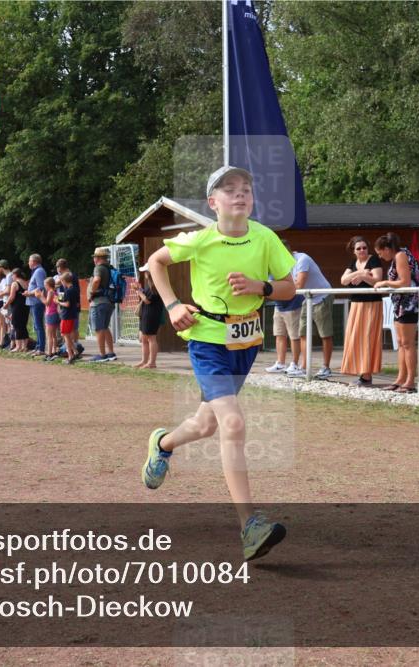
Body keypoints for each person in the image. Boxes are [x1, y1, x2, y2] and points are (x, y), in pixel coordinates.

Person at [142, 165, 296, 561]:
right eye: (229, 190)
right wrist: (173, 305)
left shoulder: (264, 238)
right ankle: (250, 525)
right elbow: (155, 263)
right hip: (207, 342)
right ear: (213, 203)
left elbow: (290, 286)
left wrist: (260, 287)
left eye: (246, 188)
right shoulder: (199, 239)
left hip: (244, 342)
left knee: (206, 423)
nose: (240, 195)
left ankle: (162, 445)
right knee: (233, 422)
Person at [373, 232, 419, 393]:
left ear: (387, 248)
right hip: (400, 304)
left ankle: (410, 380)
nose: (380, 256)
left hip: (408, 304)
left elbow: (405, 282)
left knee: (408, 344)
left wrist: (385, 282)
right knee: (401, 343)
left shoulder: (401, 255)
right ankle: (401, 378)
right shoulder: (398, 256)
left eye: (380, 253)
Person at [339, 235, 384, 387]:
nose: (362, 250)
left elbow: (377, 281)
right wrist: (361, 273)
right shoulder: (353, 262)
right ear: (354, 251)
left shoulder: (374, 261)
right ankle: (360, 372)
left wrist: (364, 277)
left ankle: (366, 375)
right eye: (359, 248)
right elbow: (343, 281)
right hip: (356, 305)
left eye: (364, 247)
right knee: (355, 338)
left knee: (367, 338)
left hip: (371, 305)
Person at [289, 246, 334, 379]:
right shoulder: (286, 263)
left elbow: (299, 285)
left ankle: (326, 368)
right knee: (303, 333)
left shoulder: (302, 259)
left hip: (322, 296)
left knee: (325, 334)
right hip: (308, 298)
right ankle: (304, 367)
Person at [88, 247, 117, 362]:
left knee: (99, 328)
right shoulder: (110, 268)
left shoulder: (99, 268)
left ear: (98, 258)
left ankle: (102, 354)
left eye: (95, 257)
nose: (94, 259)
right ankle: (111, 352)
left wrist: (92, 292)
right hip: (109, 301)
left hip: (99, 302)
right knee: (105, 327)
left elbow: (96, 280)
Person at [264, 288, 302, 375]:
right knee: (279, 334)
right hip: (278, 306)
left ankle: (295, 364)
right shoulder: (270, 275)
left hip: (294, 306)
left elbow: (298, 285)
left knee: (294, 336)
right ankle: (280, 363)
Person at [134, 266, 163, 368]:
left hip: (152, 314)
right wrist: (140, 289)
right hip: (146, 313)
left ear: (148, 273)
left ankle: (152, 362)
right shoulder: (150, 284)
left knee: (151, 338)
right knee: (144, 338)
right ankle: (144, 361)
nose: (144, 274)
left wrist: (139, 292)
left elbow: (148, 300)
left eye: (145, 272)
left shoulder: (155, 285)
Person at [5, 267, 31, 353]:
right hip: (25, 306)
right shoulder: (25, 283)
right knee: (23, 325)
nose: (12, 276)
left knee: (16, 325)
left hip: (17, 307)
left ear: (15, 275)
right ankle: (25, 346)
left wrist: (6, 304)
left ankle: (18, 346)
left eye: (12, 275)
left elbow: (12, 297)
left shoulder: (14, 284)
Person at [57, 271, 81, 364]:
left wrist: (58, 302)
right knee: (67, 334)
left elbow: (67, 304)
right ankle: (75, 351)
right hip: (72, 314)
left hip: (66, 315)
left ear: (63, 281)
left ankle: (70, 356)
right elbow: (77, 303)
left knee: (65, 335)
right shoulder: (75, 289)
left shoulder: (68, 291)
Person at [26, 254, 47, 355]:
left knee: (38, 325)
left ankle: (41, 348)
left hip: (37, 302)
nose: (28, 263)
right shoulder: (36, 271)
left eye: (29, 261)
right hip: (33, 302)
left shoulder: (39, 271)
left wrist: (29, 293)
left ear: (34, 261)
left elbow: (41, 287)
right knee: (36, 325)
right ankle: (38, 346)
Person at [40, 276, 61, 360]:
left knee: (49, 335)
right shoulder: (55, 292)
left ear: (48, 285)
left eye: (45, 284)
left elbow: (47, 303)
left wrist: (40, 296)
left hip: (50, 314)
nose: (44, 286)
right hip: (55, 314)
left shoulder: (50, 292)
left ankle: (49, 353)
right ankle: (54, 350)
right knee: (54, 335)